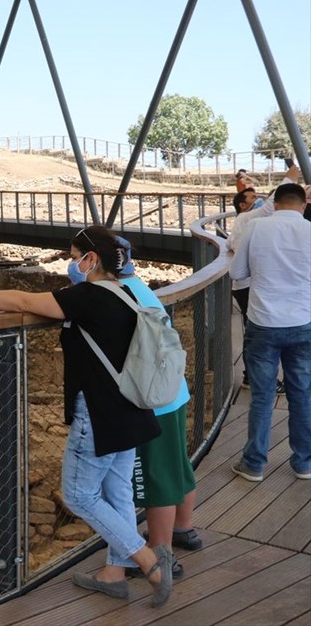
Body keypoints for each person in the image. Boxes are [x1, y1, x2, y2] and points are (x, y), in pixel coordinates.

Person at [0, 225, 174, 607]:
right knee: (118, 492)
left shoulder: (87, 297)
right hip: (130, 410)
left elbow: (22, 300)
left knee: (79, 496)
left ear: (91, 259)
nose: (71, 263)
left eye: (74, 256)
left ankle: (149, 561)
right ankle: (114, 574)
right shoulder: (126, 293)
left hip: (98, 413)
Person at [109, 236, 201, 579]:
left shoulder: (118, 295)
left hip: (151, 402)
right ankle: (183, 529)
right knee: (176, 464)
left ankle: (161, 554)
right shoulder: (139, 287)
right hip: (171, 392)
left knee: (155, 477)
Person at [229, 183, 311, 482]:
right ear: (304, 205)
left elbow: (237, 273)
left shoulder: (256, 227)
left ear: (275, 204)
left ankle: (254, 464)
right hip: (303, 321)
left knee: (262, 396)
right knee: (302, 393)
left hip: (263, 322)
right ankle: (304, 463)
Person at [228, 191, 285, 393]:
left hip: (245, 286)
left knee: (253, 330)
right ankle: (255, 378)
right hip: (247, 286)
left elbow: (230, 243)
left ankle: (252, 377)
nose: (257, 199)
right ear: (242, 205)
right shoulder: (247, 218)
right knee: (256, 332)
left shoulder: (245, 222)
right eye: (252, 198)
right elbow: (267, 208)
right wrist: (289, 180)